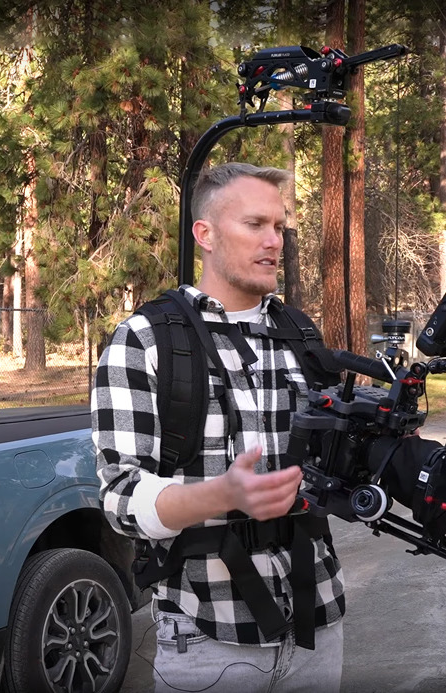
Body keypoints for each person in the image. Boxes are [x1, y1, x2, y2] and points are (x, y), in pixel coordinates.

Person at [90, 162, 345, 692]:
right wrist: (222, 495)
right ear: (204, 234)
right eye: (255, 224)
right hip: (205, 634)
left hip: (318, 615)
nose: (274, 241)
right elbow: (120, 498)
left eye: (279, 226)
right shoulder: (144, 340)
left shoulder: (299, 335)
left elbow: (331, 467)